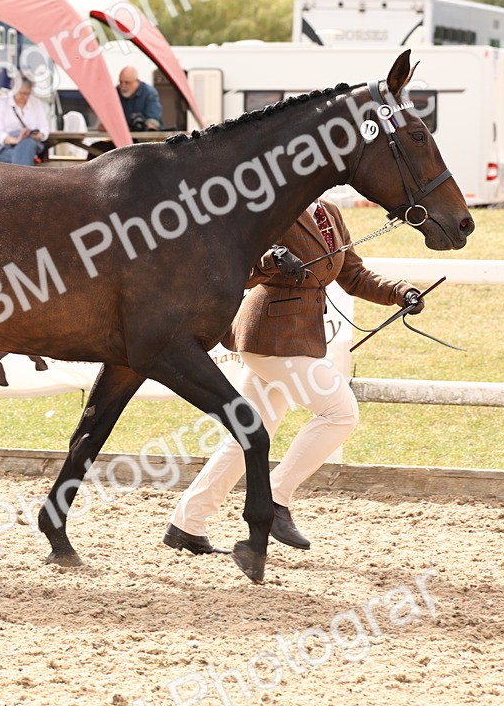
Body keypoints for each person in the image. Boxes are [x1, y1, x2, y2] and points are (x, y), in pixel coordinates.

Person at [163, 198, 425, 556]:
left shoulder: (329, 212)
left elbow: (353, 274)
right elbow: (240, 266)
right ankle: (275, 497)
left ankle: (186, 524)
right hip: (270, 336)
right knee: (340, 413)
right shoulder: (271, 207)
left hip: (294, 338)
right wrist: (271, 261)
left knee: (250, 435)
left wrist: (400, 292)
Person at [0, 77, 49, 166]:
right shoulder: (1, 102)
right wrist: (16, 140)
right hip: (1, 149)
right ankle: (25, 178)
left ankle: (21, 178)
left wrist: (39, 135)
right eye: (22, 93)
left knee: (28, 144)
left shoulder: (36, 103)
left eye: (28, 94)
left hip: (28, 145)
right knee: (24, 156)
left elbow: (44, 127)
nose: (25, 97)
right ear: (14, 89)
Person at [117, 66, 162, 131]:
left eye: (127, 83)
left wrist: (146, 126)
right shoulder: (116, 93)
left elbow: (153, 122)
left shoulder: (149, 93)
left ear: (136, 81)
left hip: (146, 136)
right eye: (121, 82)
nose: (123, 86)